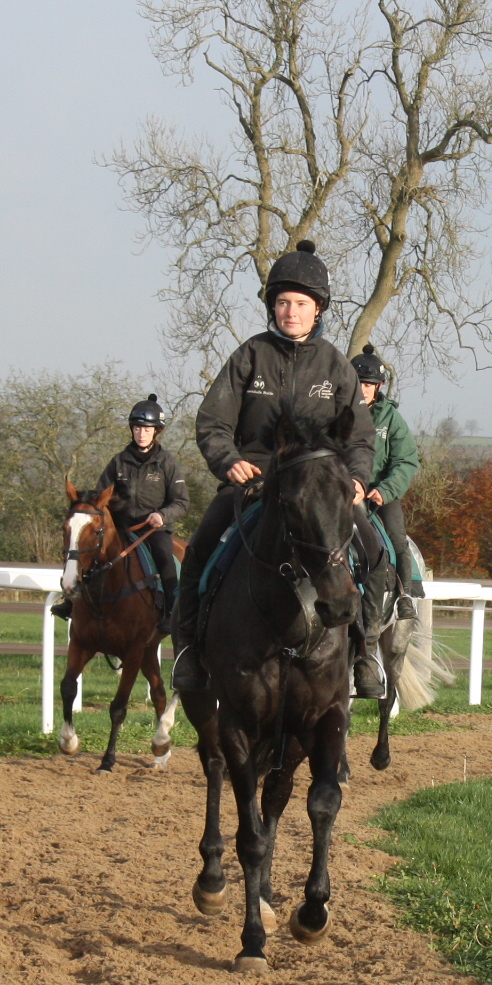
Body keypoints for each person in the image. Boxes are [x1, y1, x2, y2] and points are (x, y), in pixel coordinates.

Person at [168, 240, 385, 696]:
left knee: (372, 549)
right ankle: (188, 650)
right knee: (202, 549)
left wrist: (358, 480)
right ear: (272, 306)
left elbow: (360, 437)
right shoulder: (249, 356)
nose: (291, 311)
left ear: (318, 308)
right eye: (282, 302)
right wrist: (229, 463)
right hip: (255, 482)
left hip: (321, 488)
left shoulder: (336, 366)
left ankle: (365, 654)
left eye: (301, 304)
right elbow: (212, 422)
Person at [53, 395, 188, 620]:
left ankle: (171, 611)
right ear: (132, 430)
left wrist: (162, 515)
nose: (141, 433)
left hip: (152, 530)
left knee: (165, 555)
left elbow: (182, 502)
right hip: (119, 528)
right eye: (137, 428)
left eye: (147, 429)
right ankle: (71, 601)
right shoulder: (118, 462)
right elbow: (99, 499)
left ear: (157, 431)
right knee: (88, 550)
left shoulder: (167, 464)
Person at [351, 346, 424, 618]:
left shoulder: (390, 419)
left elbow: (406, 460)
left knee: (396, 536)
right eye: (359, 383)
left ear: (379, 386)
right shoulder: (333, 415)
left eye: (370, 384)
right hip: (342, 492)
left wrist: (385, 490)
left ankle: (405, 595)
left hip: (378, 494)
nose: (364, 389)